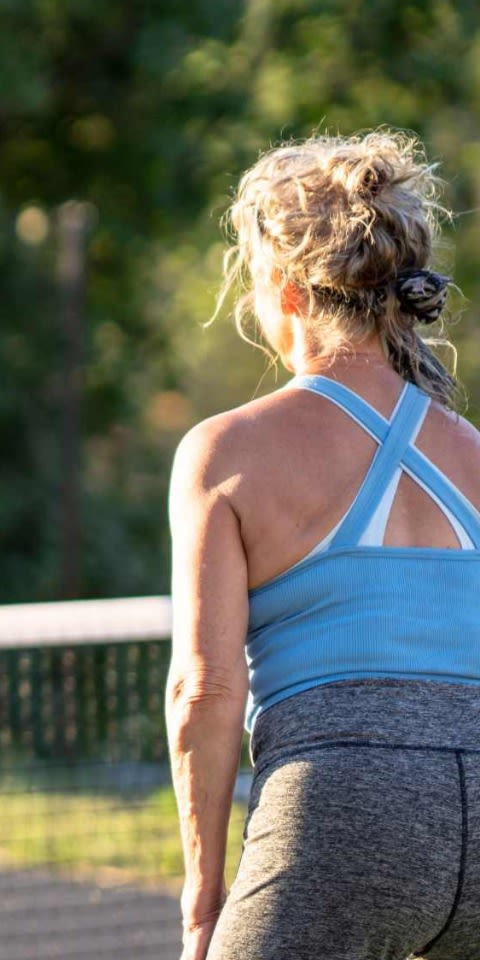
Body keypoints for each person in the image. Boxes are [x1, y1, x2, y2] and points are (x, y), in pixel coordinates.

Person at [170, 129, 480, 959]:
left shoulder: (226, 452)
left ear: (284, 289)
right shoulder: (475, 453)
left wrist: (204, 898)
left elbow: (204, 689)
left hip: (342, 808)